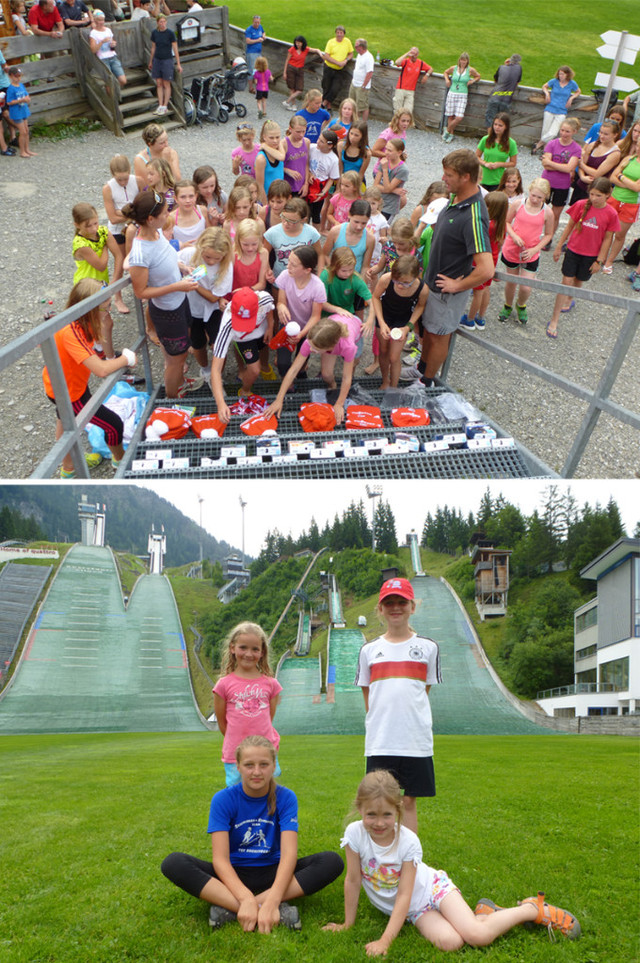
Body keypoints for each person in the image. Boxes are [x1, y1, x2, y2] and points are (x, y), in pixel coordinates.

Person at [323, 769, 581, 955]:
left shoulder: (408, 842)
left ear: (399, 810)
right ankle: (489, 914)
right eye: (371, 815)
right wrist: (348, 924)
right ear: (359, 809)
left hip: (433, 890)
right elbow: (354, 880)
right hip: (416, 911)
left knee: (477, 936)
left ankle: (532, 909)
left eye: (387, 815)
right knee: (452, 942)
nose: (379, 823)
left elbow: (404, 894)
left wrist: (385, 941)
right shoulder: (355, 835)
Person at [161, 734, 344, 933]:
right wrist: (244, 897)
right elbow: (220, 860)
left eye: (264, 764)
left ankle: (236, 909)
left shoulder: (286, 797)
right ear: (237, 767)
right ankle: (257, 907)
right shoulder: (223, 799)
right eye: (249, 765)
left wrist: (273, 899)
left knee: (331, 861)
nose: (256, 772)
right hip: (234, 874)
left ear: (274, 766)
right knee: (173, 863)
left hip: (273, 872)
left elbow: (289, 854)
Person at [353, 578, 440, 833]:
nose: (395, 607)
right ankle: (381, 859)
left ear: (413, 606)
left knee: (409, 800)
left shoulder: (428, 648)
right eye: (388, 603)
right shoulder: (369, 650)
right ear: (380, 609)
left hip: (415, 740)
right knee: (379, 801)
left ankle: (410, 860)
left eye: (401, 602)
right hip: (381, 740)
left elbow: (423, 690)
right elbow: (369, 696)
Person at [42, 278, 137, 478]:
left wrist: (105, 329)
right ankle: (120, 461)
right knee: (113, 424)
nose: (109, 310)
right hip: (68, 392)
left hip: (67, 384)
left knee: (64, 421)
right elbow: (101, 370)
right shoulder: (71, 331)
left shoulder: (83, 321)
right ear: (90, 307)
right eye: (106, 307)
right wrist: (126, 359)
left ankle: (68, 468)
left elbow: (98, 354)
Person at [416, 150, 493, 387]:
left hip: (447, 292)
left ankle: (427, 382)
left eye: (449, 175)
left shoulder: (473, 215)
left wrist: (457, 285)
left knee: (439, 336)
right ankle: (421, 370)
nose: (443, 178)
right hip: (433, 284)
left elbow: (487, 269)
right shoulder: (456, 198)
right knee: (429, 331)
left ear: (466, 177)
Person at [125, 190, 200, 398]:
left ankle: (179, 383)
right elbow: (140, 292)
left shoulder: (156, 233)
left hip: (178, 301)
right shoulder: (140, 252)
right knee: (177, 359)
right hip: (168, 311)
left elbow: (163, 259)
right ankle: (171, 399)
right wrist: (177, 286)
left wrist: (180, 266)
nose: (169, 215)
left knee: (176, 354)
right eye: (165, 213)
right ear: (150, 219)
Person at [546, 178, 619, 339]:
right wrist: (559, 246)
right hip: (573, 250)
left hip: (591, 255)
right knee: (566, 282)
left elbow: (608, 238)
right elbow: (569, 226)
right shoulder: (580, 205)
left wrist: (600, 260)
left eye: (598, 195)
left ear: (608, 195)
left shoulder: (611, 214)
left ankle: (570, 299)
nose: (594, 198)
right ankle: (554, 320)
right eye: (592, 194)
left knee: (579, 281)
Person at [212, 622, 282, 785]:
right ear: (232, 648)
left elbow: (268, 719)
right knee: (237, 796)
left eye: (255, 649)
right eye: (243, 647)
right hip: (235, 753)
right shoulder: (223, 685)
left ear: (262, 652)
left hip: (265, 752)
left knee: (267, 793)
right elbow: (223, 724)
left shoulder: (271, 685)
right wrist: (238, 741)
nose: (248, 654)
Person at [265, 313, 363, 426]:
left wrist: (339, 404)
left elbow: (346, 377)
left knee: (352, 363)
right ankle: (333, 386)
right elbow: (293, 370)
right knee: (326, 375)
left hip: (355, 327)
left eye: (315, 349)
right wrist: (279, 399)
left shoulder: (348, 346)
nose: (310, 349)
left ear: (329, 348)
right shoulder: (311, 340)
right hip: (332, 327)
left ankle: (336, 392)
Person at [364, 256, 428, 389]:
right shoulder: (386, 279)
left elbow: (420, 307)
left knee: (394, 357)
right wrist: (381, 323)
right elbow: (375, 298)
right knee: (383, 350)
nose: (400, 285)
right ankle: (385, 380)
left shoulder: (422, 288)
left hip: (403, 321)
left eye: (405, 283)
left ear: (416, 276)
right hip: (385, 315)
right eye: (397, 281)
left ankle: (393, 386)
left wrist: (408, 327)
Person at [178, 226, 233, 378]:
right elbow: (171, 259)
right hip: (191, 308)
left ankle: (217, 375)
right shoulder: (190, 253)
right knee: (197, 343)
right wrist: (181, 266)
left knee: (218, 345)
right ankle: (205, 370)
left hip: (213, 309)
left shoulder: (227, 266)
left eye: (217, 258)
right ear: (200, 248)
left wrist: (193, 284)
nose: (211, 261)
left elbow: (214, 297)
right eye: (207, 257)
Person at [498, 177, 554, 324]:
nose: (535, 199)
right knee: (511, 283)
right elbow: (506, 222)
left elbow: (548, 235)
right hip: (512, 250)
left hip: (531, 254)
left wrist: (534, 249)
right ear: (529, 191)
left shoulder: (547, 212)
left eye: (539, 197)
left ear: (546, 197)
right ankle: (508, 305)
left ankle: (521, 305)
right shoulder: (518, 204)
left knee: (526, 287)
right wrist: (514, 235)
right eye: (533, 195)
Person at [459, 190, 508, 331]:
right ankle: (480, 318)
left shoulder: (486, 223)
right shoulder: (501, 224)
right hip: (492, 259)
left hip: (480, 261)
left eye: (487, 206)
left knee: (477, 292)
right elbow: (499, 244)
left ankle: (469, 319)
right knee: (486, 289)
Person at [602, 137, 640, 273]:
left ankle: (609, 261)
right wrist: (629, 183)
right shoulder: (628, 159)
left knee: (619, 234)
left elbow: (637, 188)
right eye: (638, 145)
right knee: (607, 231)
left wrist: (622, 177)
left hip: (631, 204)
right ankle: (602, 257)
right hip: (615, 198)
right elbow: (612, 176)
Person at [531, 65, 580, 155]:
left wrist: (571, 98)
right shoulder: (554, 81)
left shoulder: (572, 83)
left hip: (562, 111)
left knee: (553, 132)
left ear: (567, 75)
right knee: (545, 130)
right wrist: (547, 94)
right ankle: (545, 151)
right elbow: (544, 86)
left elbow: (578, 91)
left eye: (562, 74)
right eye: (559, 74)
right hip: (550, 108)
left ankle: (538, 145)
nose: (560, 76)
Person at [442, 52, 480, 143]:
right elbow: (445, 72)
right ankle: (451, 134)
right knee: (450, 115)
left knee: (459, 117)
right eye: (461, 60)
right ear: (459, 60)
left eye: (465, 60)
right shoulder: (454, 68)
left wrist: (472, 81)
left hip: (462, 94)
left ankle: (447, 130)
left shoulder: (470, 70)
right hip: (452, 92)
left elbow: (478, 76)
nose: (463, 62)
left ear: (467, 61)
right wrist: (447, 80)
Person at [148, 15, 182, 116]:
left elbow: (175, 49)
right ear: (157, 22)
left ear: (166, 22)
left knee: (166, 83)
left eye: (164, 22)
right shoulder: (154, 33)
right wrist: (151, 61)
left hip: (167, 60)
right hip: (157, 59)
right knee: (159, 83)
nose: (162, 24)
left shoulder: (170, 34)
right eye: (160, 22)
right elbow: (153, 47)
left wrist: (178, 63)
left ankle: (165, 105)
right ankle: (160, 104)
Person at [475, 112, 518, 191]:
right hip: (482, 179)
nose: (497, 127)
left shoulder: (511, 143)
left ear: (506, 127)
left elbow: (513, 163)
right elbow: (476, 156)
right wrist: (485, 163)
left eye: (500, 125)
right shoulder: (485, 139)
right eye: (495, 124)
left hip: (498, 180)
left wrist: (500, 164)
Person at [318, 25, 353, 110]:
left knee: (336, 88)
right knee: (326, 86)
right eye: (337, 32)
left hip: (340, 70)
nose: (339, 34)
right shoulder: (331, 42)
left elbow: (351, 53)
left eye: (341, 33)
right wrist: (338, 62)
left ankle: (324, 103)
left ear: (344, 34)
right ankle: (329, 105)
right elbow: (326, 56)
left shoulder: (347, 41)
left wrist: (345, 61)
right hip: (329, 68)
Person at [89, 10, 127, 89]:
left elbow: (112, 43)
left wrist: (113, 44)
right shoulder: (93, 33)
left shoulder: (108, 30)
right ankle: (112, 98)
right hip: (103, 59)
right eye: (99, 20)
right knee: (109, 82)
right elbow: (93, 50)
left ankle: (113, 92)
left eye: (102, 20)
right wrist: (102, 42)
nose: (101, 22)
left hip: (113, 56)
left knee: (123, 80)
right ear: (95, 20)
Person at [373, 138, 408, 222]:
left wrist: (385, 170)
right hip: (377, 201)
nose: (386, 152)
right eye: (386, 149)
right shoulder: (385, 162)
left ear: (399, 152)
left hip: (389, 207)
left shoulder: (402, 169)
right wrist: (394, 190)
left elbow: (388, 188)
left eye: (390, 150)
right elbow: (375, 186)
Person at [5, 66, 35, 159]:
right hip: (16, 112)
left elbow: (26, 95)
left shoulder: (21, 85)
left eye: (19, 76)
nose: (18, 78)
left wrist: (27, 99)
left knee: (26, 131)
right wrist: (21, 100)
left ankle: (27, 149)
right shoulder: (11, 88)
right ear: (10, 76)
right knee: (22, 132)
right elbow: (9, 102)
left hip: (23, 110)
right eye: (16, 76)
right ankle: (22, 152)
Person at [484, 54, 522, 127]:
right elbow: (517, 82)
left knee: (490, 121)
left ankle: (490, 137)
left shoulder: (501, 67)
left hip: (495, 97)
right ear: (519, 62)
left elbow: (496, 80)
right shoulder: (519, 69)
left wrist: (506, 65)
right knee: (502, 123)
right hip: (506, 99)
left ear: (510, 60)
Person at [393, 47, 432, 116]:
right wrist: (407, 54)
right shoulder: (406, 61)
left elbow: (430, 69)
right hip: (401, 88)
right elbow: (397, 62)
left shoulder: (420, 63)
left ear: (417, 54)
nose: (414, 55)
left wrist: (426, 75)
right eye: (412, 53)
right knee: (397, 109)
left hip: (411, 90)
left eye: (415, 54)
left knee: (408, 111)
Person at [282, 36, 314, 111]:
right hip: (291, 68)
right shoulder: (292, 49)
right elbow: (287, 61)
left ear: (302, 43)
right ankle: (293, 105)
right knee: (292, 87)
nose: (297, 44)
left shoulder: (305, 49)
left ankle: (288, 101)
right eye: (296, 43)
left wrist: (319, 52)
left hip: (300, 69)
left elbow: (314, 50)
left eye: (299, 43)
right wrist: (284, 72)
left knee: (300, 89)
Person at [348, 38, 374, 123]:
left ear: (361, 47)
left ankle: (361, 122)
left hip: (362, 86)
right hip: (354, 83)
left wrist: (364, 85)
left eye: (356, 46)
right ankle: (353, 120)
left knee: (362, 106)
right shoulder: (359, 55)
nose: (355, 48)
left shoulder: (369, 57)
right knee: (352, 103)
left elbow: (369, 73)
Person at [245, 15, 265, 93]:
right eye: (256, 22)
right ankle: (250, 87)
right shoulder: (249, 30)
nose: (257, 24)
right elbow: (248, 41)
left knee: (259, 69)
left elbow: (263, 32)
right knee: (251, 70)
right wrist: (257, 40)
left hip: (258, 52)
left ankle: (258, 86)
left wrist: (263, 36)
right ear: (253, 21)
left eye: (258, 22)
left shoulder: (260, 27)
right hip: (251, 52)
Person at [253, 55, 272, 120]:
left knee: (259, 101)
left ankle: (260, 110)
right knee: (264, 101)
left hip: (259, 88)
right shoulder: (268, 71)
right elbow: (271, 78)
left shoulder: (256, 73)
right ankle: (264, 112)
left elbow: (256, 82)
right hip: (266, 88)